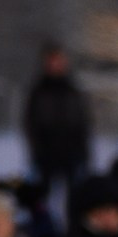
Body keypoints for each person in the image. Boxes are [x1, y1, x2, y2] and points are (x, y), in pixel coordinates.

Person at [24, 43, 93, 200]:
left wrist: (84, 153)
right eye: (51, 60)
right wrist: (36, 151)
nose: (55, 64)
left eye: (58, 60)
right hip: (46, 154)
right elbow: (30, 124)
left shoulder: (73, 90)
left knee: (75, 196)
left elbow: (83, 122)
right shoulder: (38, 92)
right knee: (42, 196)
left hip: (71, 154)